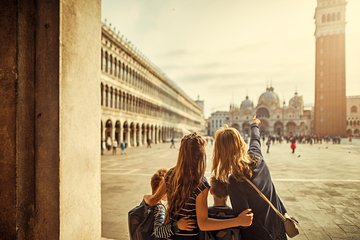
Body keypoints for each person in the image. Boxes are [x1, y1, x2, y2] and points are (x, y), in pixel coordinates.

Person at [144, 132, 253, 240]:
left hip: (170, 235)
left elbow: (153, 200)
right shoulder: (200, 184)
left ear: (182, 153)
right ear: (201, 156)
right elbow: (203, 224)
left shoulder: (170, 174)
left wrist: (145, 197)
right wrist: (238, 221)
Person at [212, 116, 288, 240]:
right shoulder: (257, 157)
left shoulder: (235, 181)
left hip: (259, 235)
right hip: (278, 228)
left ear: (221, 152)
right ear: (241, 142)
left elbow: (245, 221)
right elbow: (255, 139)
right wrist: (254, 124)